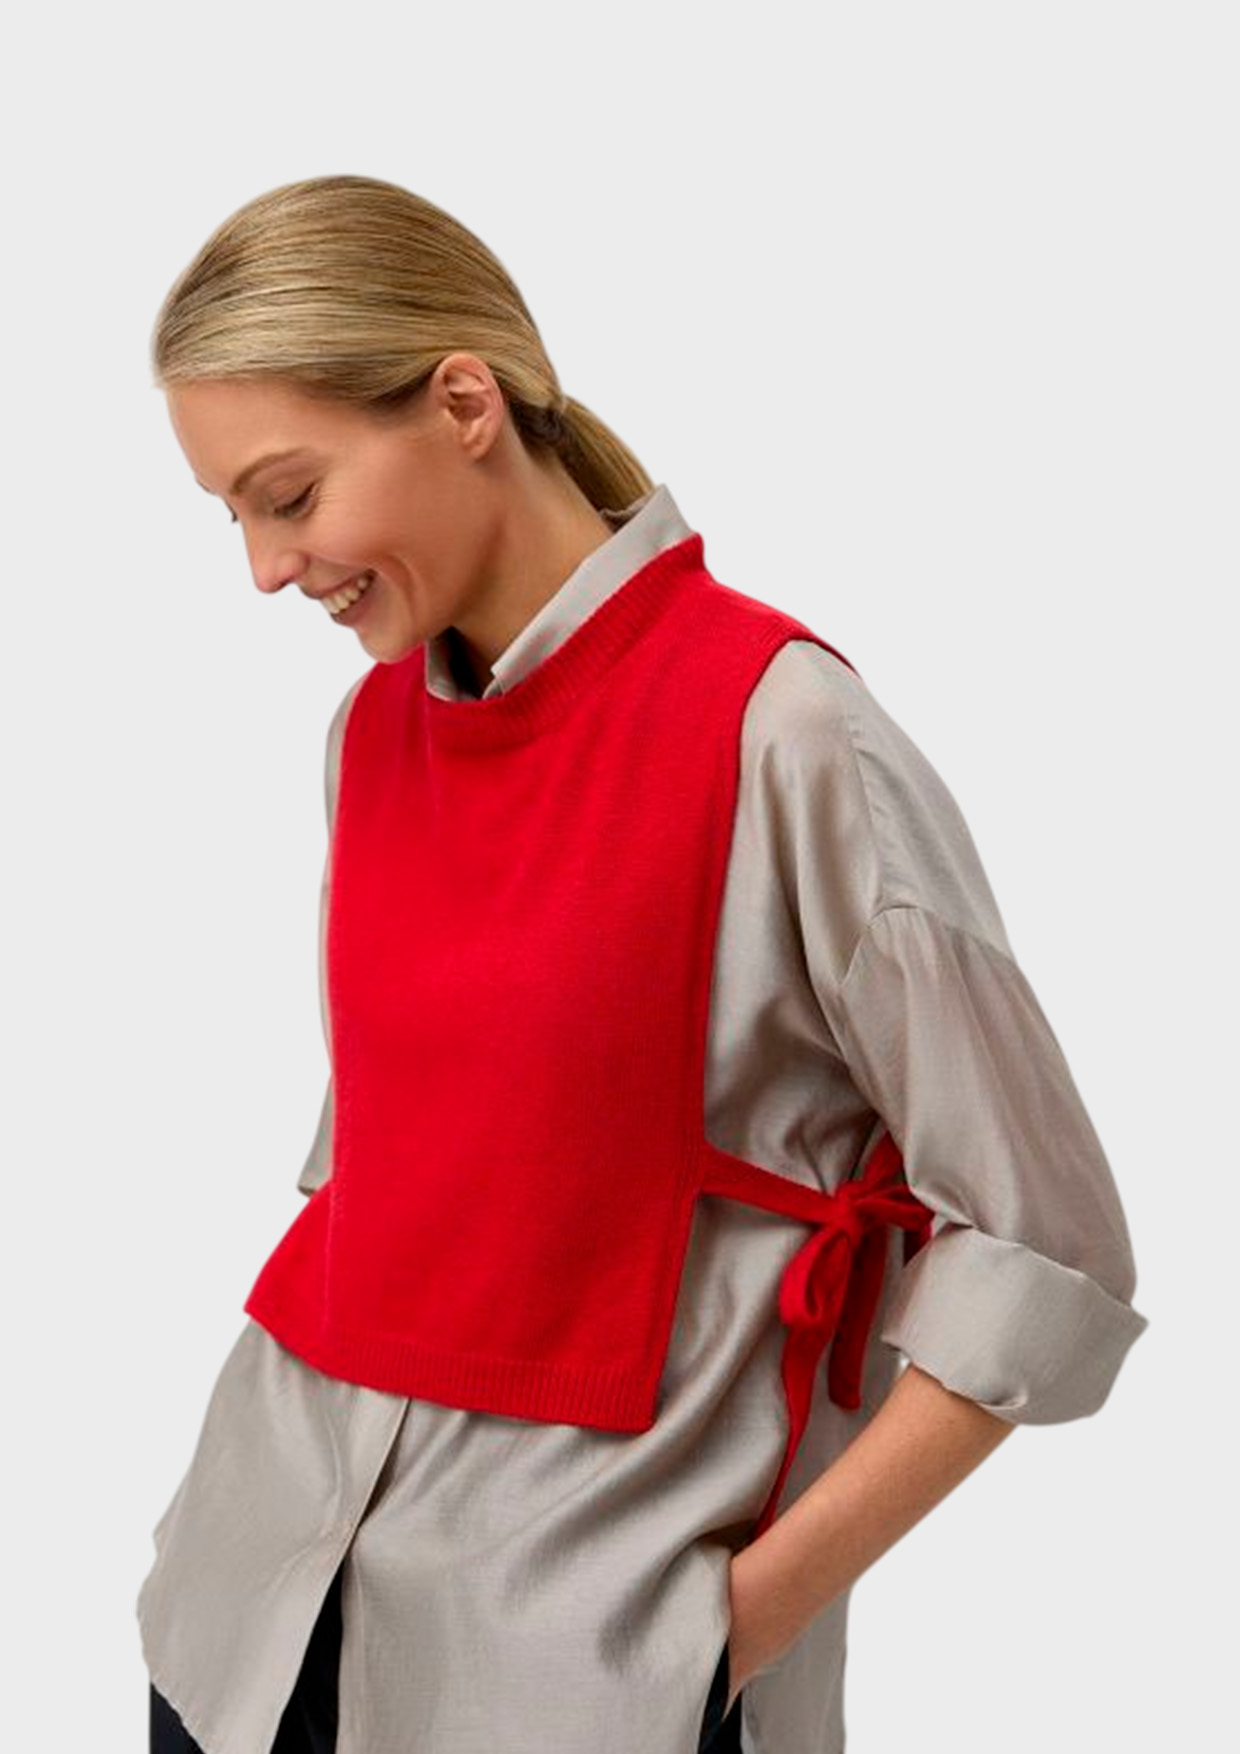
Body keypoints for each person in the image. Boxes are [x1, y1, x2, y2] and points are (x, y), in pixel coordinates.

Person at [135, 173, 1148, 1754]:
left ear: (463, 402)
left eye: (290, 494)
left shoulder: (783, 731)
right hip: (249, 1623)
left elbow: (1044, 1247)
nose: (268, 567)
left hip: (575, 1677)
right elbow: (383, 1169)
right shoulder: (370, 733)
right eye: (236, 517)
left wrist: (735, 1621)